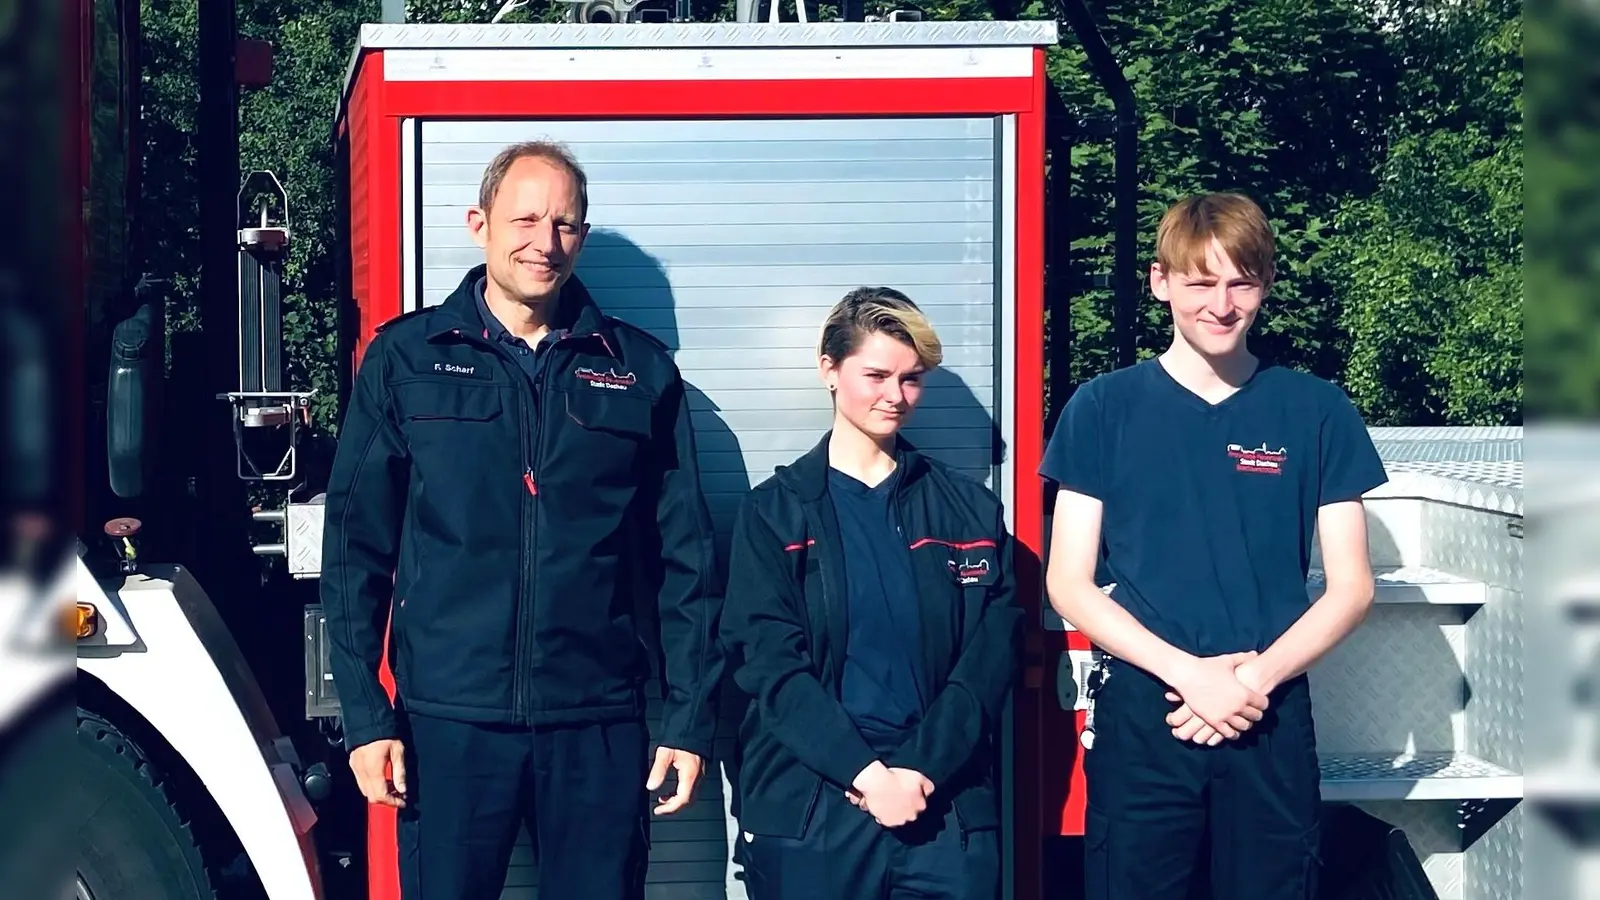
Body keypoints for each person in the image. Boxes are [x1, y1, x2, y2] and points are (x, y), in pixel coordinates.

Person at [319, 140, 724, 900]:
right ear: (479, 224)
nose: (546, 242)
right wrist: (367, 719)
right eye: (526, 219)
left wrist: (687, 719)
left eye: (565, 224)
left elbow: (687, 559)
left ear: (583, 236)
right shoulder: (408, 359)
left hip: (597, 722)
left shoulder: (638, 371)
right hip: (448, 724)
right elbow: (353, 550)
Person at [1041, 191, 1387, 899]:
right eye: (1200, 283)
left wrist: (1251, 682)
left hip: (1269, 713)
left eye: (1242, 283)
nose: (1222, 305)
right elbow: (1068, 583)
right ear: (1160, 281)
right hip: (1147, 711)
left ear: (1266, 284)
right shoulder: (1102, 407)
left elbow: (1352, 587)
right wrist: (1190, 676)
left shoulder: (1317, 410)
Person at [719, 287, 1024, 900]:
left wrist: (918, 769)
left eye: (911, 379)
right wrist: (866, 774)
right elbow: (769, 664)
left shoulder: (968, 512)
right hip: (814, 809)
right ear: (829, 370)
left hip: (942, 807)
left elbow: (990, 660)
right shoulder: (775, 513)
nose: (896, 396)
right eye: (877, 375)